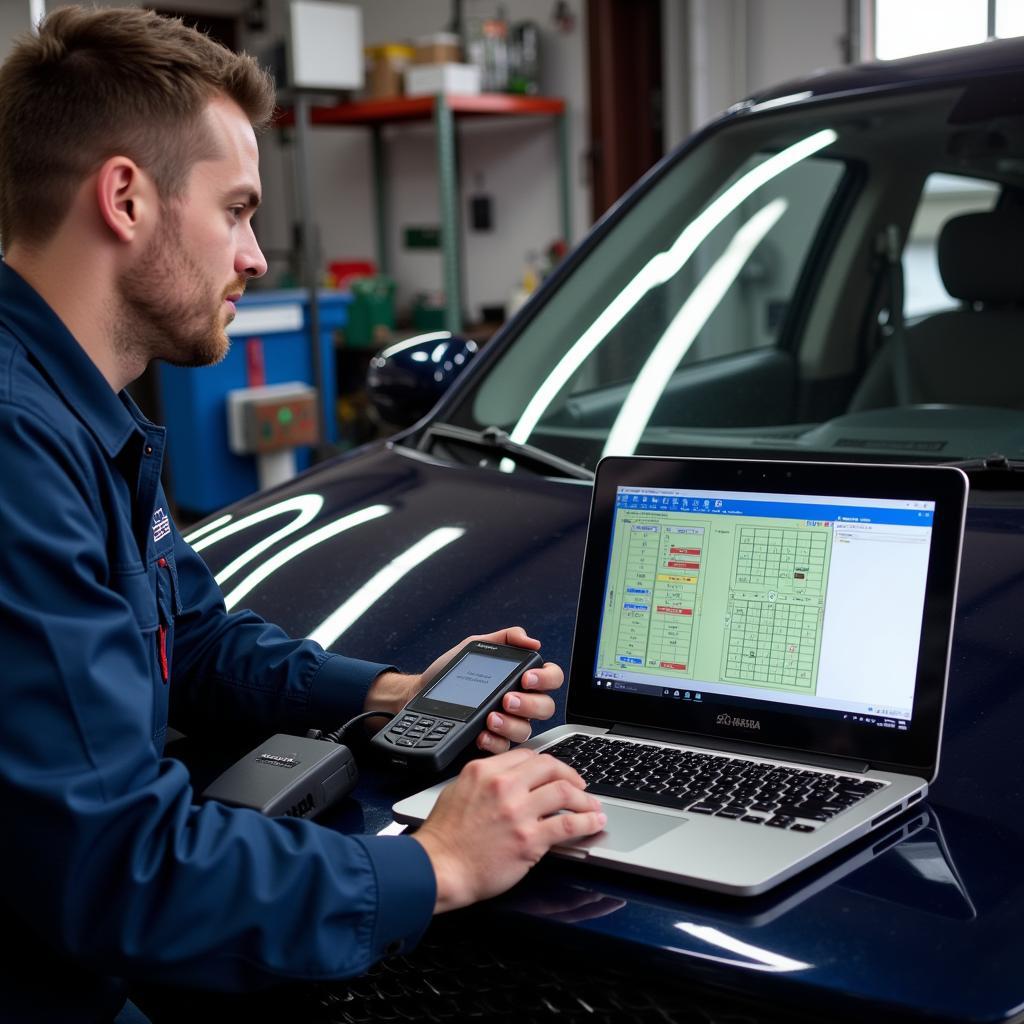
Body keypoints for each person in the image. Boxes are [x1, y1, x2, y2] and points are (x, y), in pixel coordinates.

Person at [0, 8, 606, 1022]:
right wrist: (434, 863)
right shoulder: (18, 450)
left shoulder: (77, 413)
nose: (256, 259)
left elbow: (187, 635)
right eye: (235, 209)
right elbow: (119, 870)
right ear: (124, 199)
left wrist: (389, 690)